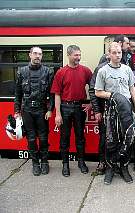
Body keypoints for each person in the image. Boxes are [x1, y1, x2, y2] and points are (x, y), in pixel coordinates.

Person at [95, 42, 135, 185]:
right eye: (114, 53)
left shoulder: (127, 69)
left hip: (127, 109)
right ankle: (110, 169)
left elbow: (132, 90)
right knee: (111, 141)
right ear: (108, 54)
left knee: (127, 139)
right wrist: (114, 96)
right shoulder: (102, 71)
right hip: (112, 109)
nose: (117, 55)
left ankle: (124, 168)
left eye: (119, 53)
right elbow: (97, 92)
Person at [51, 45, 92, 177]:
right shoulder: (61, 72)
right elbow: (56, 94)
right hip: (65, 108)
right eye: (76, 55)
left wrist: (91, 103)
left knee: (80, 138)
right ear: (68, 55)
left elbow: (95, 88)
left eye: (79, 55)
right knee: (65, 138)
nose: (78, 58)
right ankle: (65, 165)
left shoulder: (86, 71)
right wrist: (57, 114)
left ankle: (81, 162)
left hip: (80, 107)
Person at [14, 46, 54, 176]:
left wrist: (50, 109)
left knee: (43, 138)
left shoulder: (48, 72)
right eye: (35, 53)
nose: (38, 56)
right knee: (31, 138)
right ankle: (35, 163)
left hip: (42, 110)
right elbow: (17, 93)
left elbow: (52, 93)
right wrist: (17, 111)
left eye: (40, 54)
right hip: (27, 110)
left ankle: (44, 162)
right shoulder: (22, 71)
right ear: (30, 55)